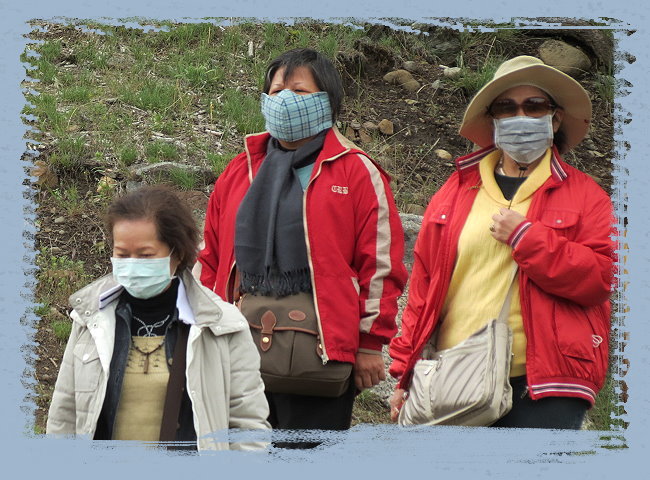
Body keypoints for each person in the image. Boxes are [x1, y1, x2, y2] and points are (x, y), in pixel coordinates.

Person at [388, 56, 615, 429]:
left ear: (555, 118)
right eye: (506, 108)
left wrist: (527, 238)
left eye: (534, 106)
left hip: (544, 387)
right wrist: (405, 371)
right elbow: (424, 289)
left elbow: (601, 279)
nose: (520, 116)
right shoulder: (455, 190)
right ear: (493, 120)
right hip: (456, 376)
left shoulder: (587, 196)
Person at [197, 48, 407, 439]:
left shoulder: (357, 171)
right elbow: (210, 256)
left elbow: (380, 266)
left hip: (319, 349)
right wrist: (201, 328)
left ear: (327, 101)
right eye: (276, 92)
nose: (285, 100)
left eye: (299, 90)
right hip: (238, 345)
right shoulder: (241, 170)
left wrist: (368, 343)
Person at [46, 185, 270, 450]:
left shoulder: (222, 326)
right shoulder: (89, 320)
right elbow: (64, 416)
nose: (131, 264)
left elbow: (248, 426)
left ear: (177, 253)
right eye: (122, 254)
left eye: (145, 255)